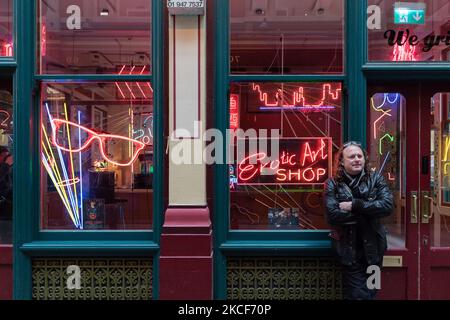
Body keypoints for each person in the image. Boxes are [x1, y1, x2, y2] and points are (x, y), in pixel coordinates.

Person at [324, 141, 393, 300]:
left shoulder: (376, 179)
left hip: (375, 252)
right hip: (350, 251)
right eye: (351, 156)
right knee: (358, 296)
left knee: (372, 292)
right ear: (342, 161)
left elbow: (387, 206)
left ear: (364, 159)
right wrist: (370, 210)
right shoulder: (332, 184)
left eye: (359, 156)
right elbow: (333, 214)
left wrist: (356, 205)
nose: (357, 159)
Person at [0, 146, 13, 243]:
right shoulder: (4, 167)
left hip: (7, 208)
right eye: (4, 155)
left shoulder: (6, 169)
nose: (7, 157)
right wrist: (6, 165)